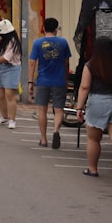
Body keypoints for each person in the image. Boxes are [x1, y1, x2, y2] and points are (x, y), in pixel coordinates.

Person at [75, 35, 112, 181]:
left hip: (97, 102)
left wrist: (79, 107)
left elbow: (85, 87)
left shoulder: (90, 65)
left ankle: (93, 169)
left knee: (94, 139)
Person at [28, 17, 71, 149]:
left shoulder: (37, 43)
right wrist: (65, 78)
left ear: (43, 28)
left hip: (43, 81)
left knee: (42, 110)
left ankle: (43, 139)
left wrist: (30, 81)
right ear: (56, 29)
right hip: (59, 81)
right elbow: (66, 62)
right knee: (58, 110)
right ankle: (56, 131)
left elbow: (32, 63)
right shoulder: (63, 42)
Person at [0, 19, 23, 129]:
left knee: (10, 95)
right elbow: (0, 55)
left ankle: (12, 120)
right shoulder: (6, 41)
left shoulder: (13, 42)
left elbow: (6, 58)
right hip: (2, 68)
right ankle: (4, 117)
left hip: (12, 69)